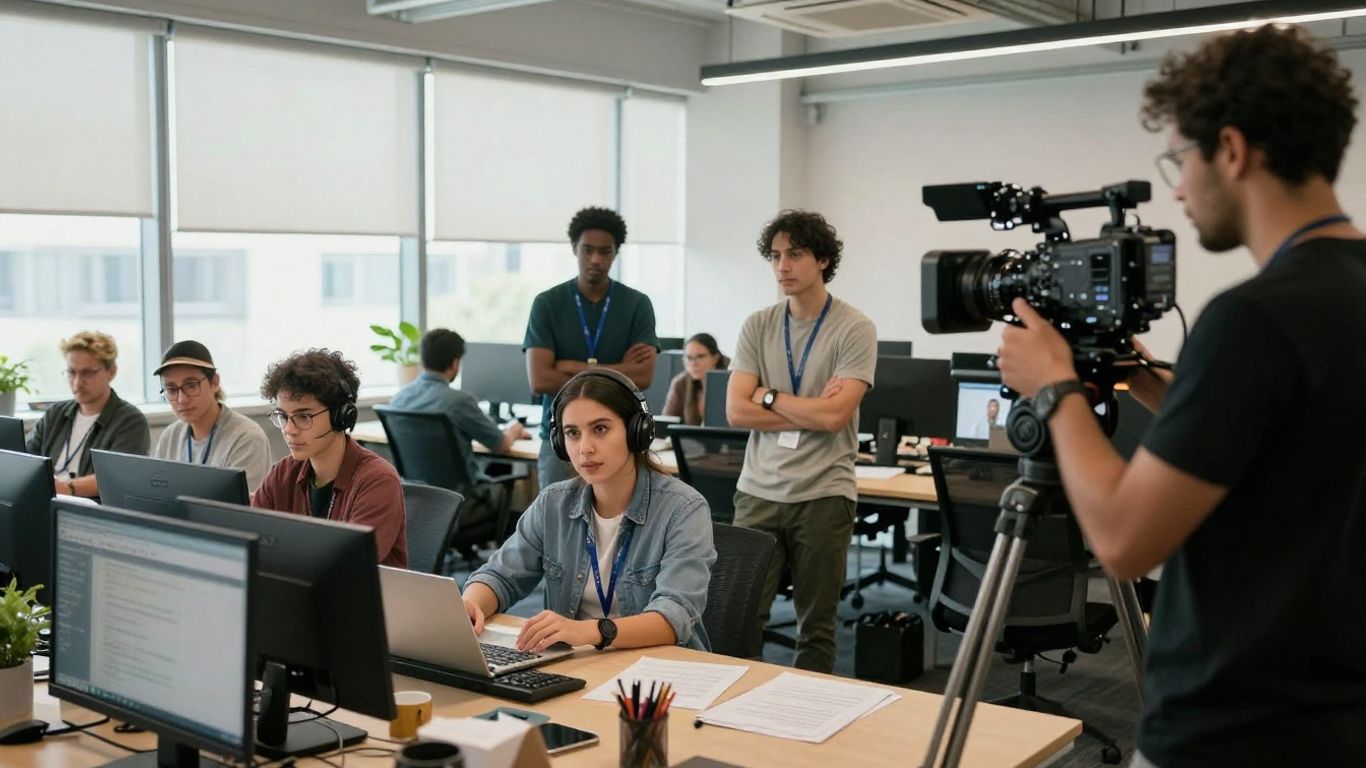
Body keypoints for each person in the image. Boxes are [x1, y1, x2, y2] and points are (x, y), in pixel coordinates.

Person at [994, 25, 1366, 768]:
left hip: (1233, 728)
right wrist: (1142, 378)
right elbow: (1282, 437)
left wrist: (1056, 386)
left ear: (1231, 150)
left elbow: (1125, 541)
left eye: (1180, 159)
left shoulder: (1254, 317)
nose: (1177, 187)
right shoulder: (1341, 297)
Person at [462, 369, 715, 653]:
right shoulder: (554, 504)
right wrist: (471, 604)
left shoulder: (683, 509)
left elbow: (674, 616)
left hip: (658, 673)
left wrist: (591, 631)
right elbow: (499, 576)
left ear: (636, 432)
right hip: (577, 667)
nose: (585, 448)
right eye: (572, 433)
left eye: (600, 429)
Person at [725, 210, 877, 673]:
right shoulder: (758, 325)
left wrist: (768, 395)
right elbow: (736, 411)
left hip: (823, 495)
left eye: (795, 254)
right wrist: (806, 406)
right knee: (738, 619)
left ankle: (809, 724)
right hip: (758, 492)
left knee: (816, 628)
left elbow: (834, 418)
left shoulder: (854, 328)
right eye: (775, 256)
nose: (782, 266)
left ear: (823, 260)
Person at [525, 207, 659, 488]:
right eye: (588, 250)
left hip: (619, 439)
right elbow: (539, 380)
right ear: (574, 248)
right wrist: (619, 371)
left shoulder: (636, 304)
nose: (596, 259)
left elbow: (644, 376)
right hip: (563, 440)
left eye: (605, 251)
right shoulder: (548, 304)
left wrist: (575, 367)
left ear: (615, 252)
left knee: (618, 526)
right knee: (557, 526)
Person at [251, 349, 408, 568]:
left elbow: (350, 567)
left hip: (362, 600)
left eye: (303, 417)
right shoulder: (283, 473)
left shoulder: (377, 481)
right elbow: (248, 538)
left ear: (340, 415)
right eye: (283, 417)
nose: (289, 430)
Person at [390, 328, 529, 544]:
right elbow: (500, 445)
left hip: (415, 503)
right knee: (516, 490)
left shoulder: (399, 399)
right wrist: (514, 429)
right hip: (460, 505)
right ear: (455, 363)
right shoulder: (459, 402)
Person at [27, 331, 149, 497]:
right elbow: (26, 460)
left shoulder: (130, 421)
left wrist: (65, 488)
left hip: (90, 512)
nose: (77, 383)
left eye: (87, 373)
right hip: (44, 502)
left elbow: (119, 477)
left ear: (111, 372)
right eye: (71, 372)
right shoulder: (55, 414)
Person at [151, 340, 272, 492]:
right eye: (171, 389)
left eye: (191, 385)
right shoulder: (170, 437)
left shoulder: (247, 438)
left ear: (214, 382)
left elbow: (242, 510)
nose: (182, 399)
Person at [662, 332, 730, 426]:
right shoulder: (681, 383)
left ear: (715, 358)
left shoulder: (732, 382)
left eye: (700, 357)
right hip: (689, 439)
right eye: (689, 358)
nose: (693, 363)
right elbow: (667, 423)